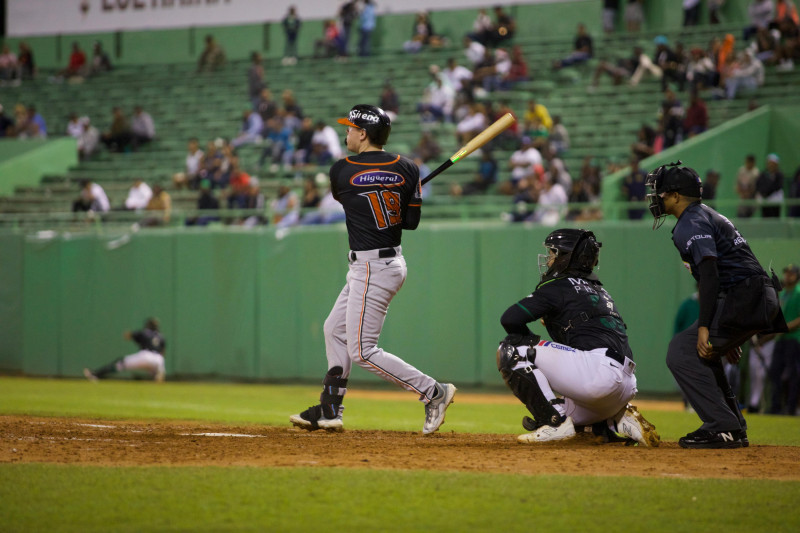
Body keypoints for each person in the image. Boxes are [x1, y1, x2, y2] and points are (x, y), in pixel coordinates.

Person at [289, 104, 456, 435]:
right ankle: (330, 408)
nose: (346, 132)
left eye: (350, 128)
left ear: (363, 134)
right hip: (383, 262)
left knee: (363, 351)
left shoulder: (341, 171)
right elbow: (410, 222)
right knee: (334, 329)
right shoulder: (409, 168)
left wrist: (385, 190)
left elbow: (353, 201)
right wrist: (409, 190)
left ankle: (433, 392)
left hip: (373, 267)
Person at [645, 161, 786, 448]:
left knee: (680, 352)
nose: (657, 198)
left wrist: (707, 326)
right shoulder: (703, 214)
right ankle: (733, 426)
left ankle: (722, 426)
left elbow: (710, 275)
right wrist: (728, 335)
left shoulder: (690, 222)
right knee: (705, 353)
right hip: (755, 296)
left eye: (661, 193)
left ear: (675, 196)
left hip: (745, 297)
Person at [497, 228, 660, 445]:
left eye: (553, 254)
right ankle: (618, 419)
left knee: (510, 350)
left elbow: (510, 318)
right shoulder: (600, 290)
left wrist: (528, 342)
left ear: (567, 257)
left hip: (598, 376)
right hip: (626, 384)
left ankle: (554, 424)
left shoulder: (557, 286)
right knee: (560, 408)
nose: (549, 260)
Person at [84, 318, 166, 382]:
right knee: (157, 370)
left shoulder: (145, 332)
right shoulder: (161, 336)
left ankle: (96, 375)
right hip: (158, 359)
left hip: (145, 356)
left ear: (148, 325)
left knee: (120, 363)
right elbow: (162, 352)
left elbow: (128, 335)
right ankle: (158, 374)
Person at [768, 264, 800, 415]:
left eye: (791, 274)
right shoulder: (783, 294)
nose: (788, 276)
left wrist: (786, 327)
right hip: (781, 339)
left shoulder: (798, 292)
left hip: (794, 338)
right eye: (786, 273)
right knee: (774, 371)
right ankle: (776, 406)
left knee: (793, 374)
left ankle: (791, 407)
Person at [755, 153, 784, 217]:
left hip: (775, 202)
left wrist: (768, 193)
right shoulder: (763, 174)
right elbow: (759, 185)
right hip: (765, 202)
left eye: (773, 164)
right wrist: (763, 193)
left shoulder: (779, 175)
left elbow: (778, 186)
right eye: (769, 163)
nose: (771, 165)